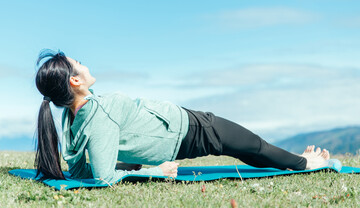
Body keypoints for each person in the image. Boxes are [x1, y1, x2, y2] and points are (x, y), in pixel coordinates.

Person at [34, 50, 331, 183]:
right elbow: (103, 177)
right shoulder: (99, 112)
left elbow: (81, 170)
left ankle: (296, 161)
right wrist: (151, 172)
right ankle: (306, 163)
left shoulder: (71, 120)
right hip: (190, 128)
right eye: (80, 64)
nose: (85, 66)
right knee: (252, 146)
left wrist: (127, 161)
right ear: (75, 82)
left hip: (179, 130)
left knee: (243, 148)